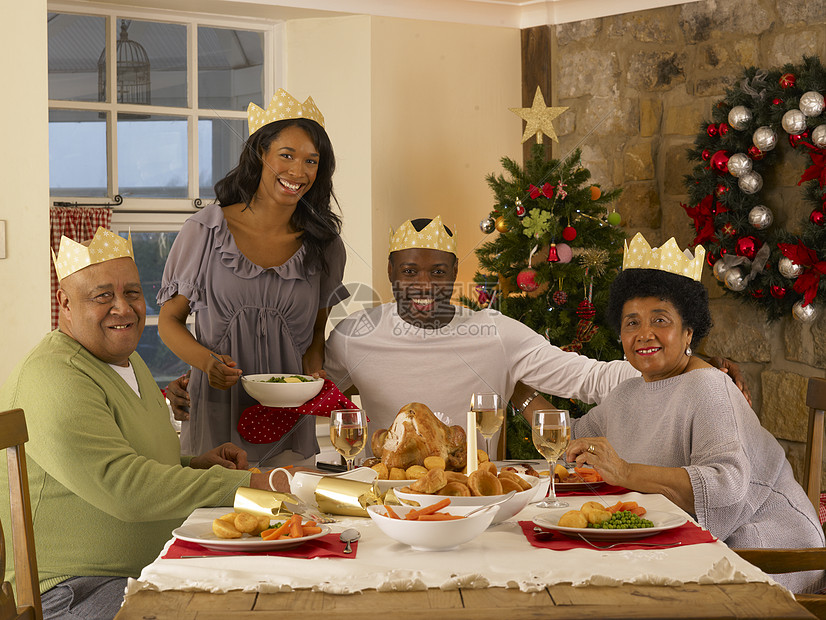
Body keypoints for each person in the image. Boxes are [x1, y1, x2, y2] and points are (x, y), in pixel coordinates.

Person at [0, 229, 286, 620]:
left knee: (271, 592)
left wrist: (196, 465)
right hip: (70, 590)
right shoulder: (54, 375)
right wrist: (248, 484)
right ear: (64, 303)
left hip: (146, 570)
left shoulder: (129, 362)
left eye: (132, 293)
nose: (123, 308)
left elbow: (135, 459)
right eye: (103, 296)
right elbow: (124, 488)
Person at [565, 233, 825, 594]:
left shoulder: (709, 387)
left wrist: (625, 471)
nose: (644, 334)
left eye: (660, 320)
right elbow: (570, 438)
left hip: (765, 549)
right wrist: (520, 395)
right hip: (691, 548)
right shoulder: (628, 393)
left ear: (689, 331)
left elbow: (726, 486)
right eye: (632, 322)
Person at [157, 89, 349, 467]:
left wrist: (314, 374)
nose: (298, 172)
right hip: (216, 414)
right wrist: (207, 362)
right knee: (218, 524)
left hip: (290, 422)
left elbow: (314, 335)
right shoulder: (205, 230)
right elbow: (168, 321)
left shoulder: (324, 245)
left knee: (295, 523)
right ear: (261, 153)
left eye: (312, 161)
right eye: (287, 155)